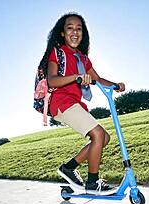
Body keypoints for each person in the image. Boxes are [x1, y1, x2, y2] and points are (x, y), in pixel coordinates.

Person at [38, 12, 126, 194]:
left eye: (79, 29)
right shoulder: (58, 52)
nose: (75, 32)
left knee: (104, 138)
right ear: (62, 33)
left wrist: (115, 85)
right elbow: (52, 80)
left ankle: (68, 168)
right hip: (61, 102)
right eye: (69, 28)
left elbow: (98, 79)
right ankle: (93, 183)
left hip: (75, 103)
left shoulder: (83, 58)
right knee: (98, 134)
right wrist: (76, 77)